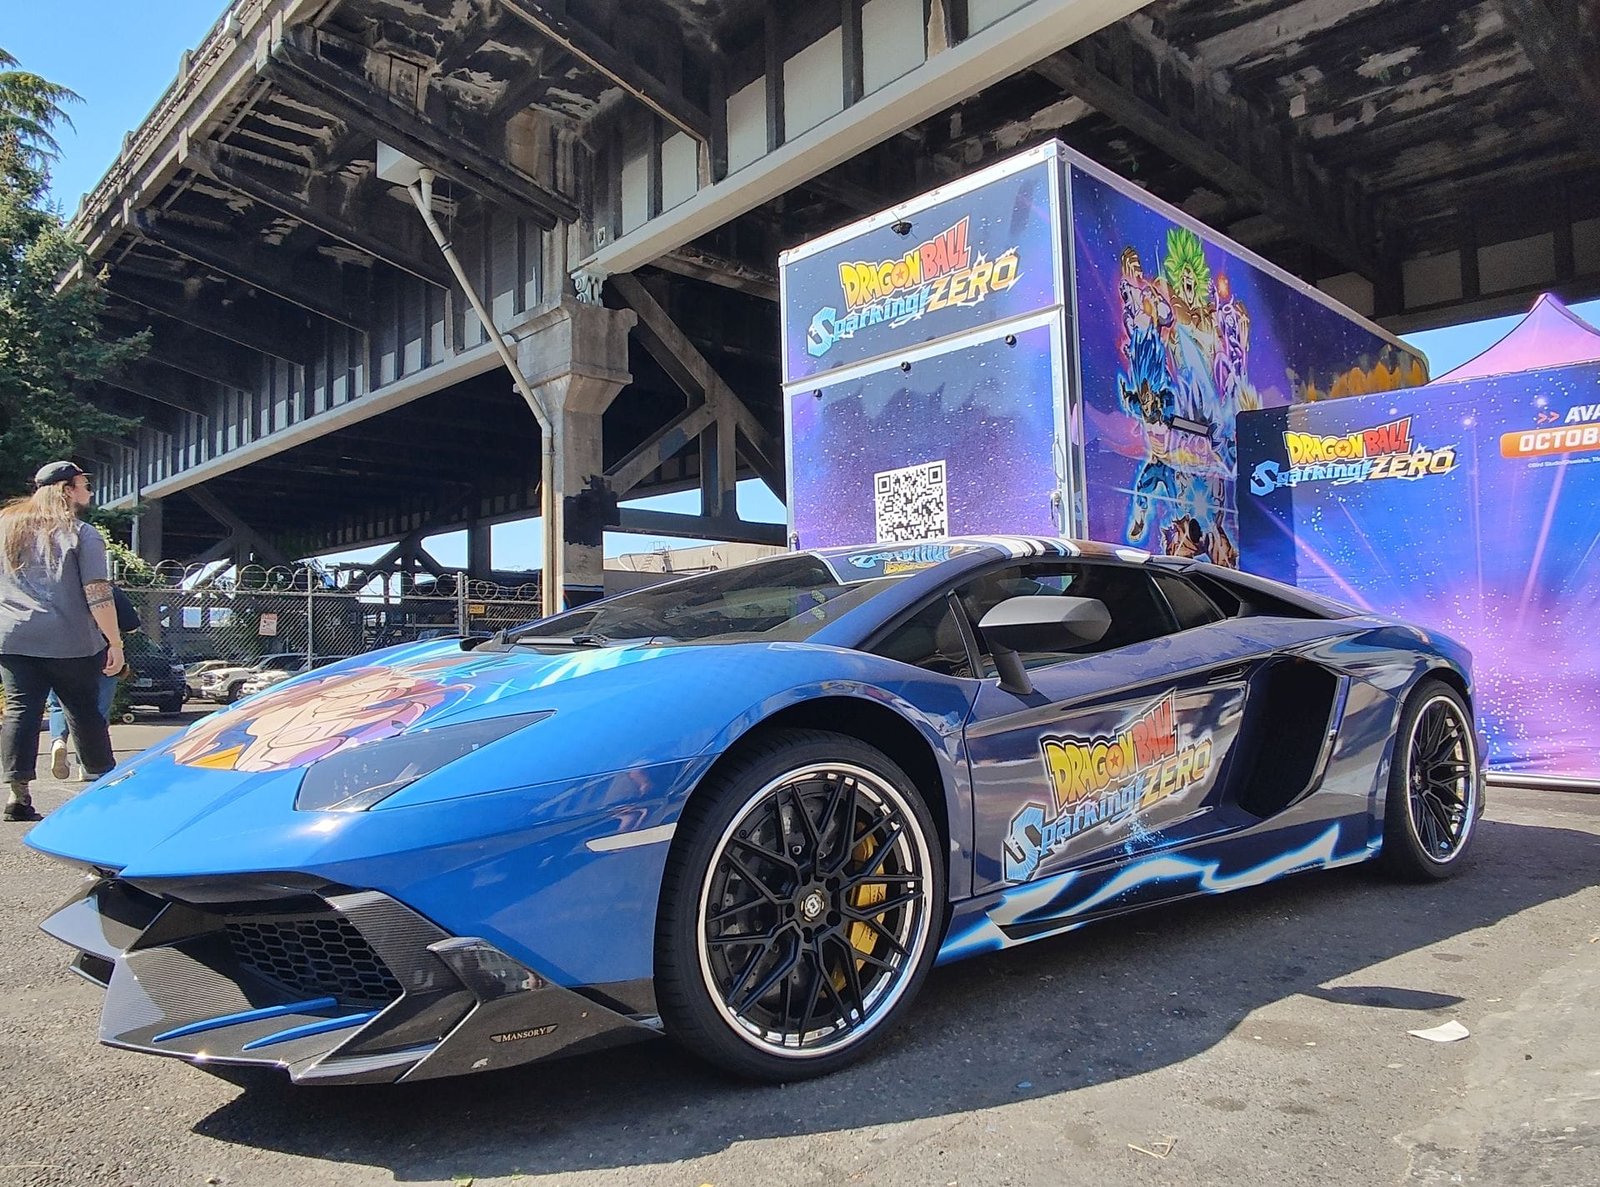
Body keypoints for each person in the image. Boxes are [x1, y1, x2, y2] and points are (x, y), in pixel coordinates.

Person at [0, 461, 123, 822]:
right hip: (69, 639)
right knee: (83, 710)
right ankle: (100, 786)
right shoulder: (81, 533)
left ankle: (17, 795)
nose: (89, 490)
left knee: (21, 711)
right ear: (67, 489)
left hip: (13, 637)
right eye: (85, 484)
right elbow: (97, 591)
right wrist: (114, 641)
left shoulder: (5, 527)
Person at [45, 585, 140, 781]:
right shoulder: (103, 588)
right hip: (102, 655)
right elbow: (132, 626)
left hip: (58, 654)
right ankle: (88, 765)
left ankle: (58, 741)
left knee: (57, 704)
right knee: (96, 711)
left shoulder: (52, 587)